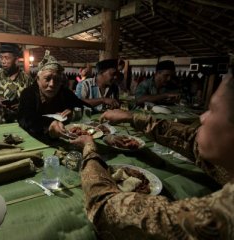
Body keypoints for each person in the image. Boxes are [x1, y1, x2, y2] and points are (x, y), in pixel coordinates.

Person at [69, 68, 234, 239]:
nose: (202, 118)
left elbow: (107, 210)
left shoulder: (221, 215)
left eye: (213, 109)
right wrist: (132, 118)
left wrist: (89, 149)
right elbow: (190, 140)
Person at [18, 50, 87, 142]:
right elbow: (25, 117)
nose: (52, 84)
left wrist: (73, 111)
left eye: (57, 79)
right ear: (38, 79)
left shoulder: (64, 92)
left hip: (65, 139)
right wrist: (49, 124)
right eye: (47, 78)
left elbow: (83, 106)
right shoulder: (28, 93)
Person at [0, 43, 33, 123]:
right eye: (1, 58)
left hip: (20, 121)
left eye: (7, 58)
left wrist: (22, 105)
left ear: (16, 60)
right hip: (0, 121)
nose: (3, 61)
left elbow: (33, 99)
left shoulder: (26, 78)